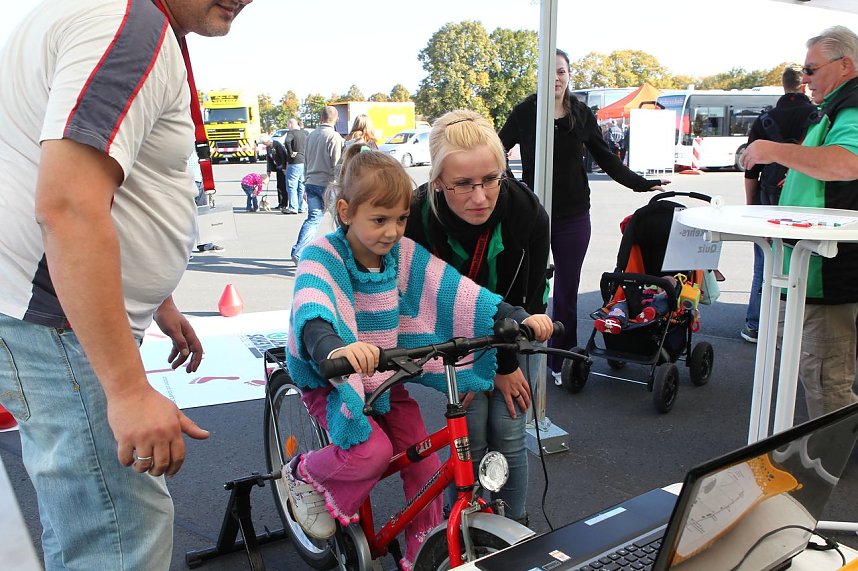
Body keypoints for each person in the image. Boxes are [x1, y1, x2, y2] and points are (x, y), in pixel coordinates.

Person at [0, 0, 250, 569]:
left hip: (53, 318)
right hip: (58, 324)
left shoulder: (112, 15)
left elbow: (112, 187)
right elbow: (67, 205)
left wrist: (154, 295)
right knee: (119, 536)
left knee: (86, 518)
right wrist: (127, 389)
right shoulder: (132, 25)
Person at [284, 146, 553, 568]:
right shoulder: (323, 256)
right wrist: (335, 347)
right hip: (334, 380)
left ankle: (421, 549)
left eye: (401, 219)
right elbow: (314, 309)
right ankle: (306, 476)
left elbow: (455, 292)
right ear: (345, 211)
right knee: (369, 452)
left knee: (425, 462)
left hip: (386, 380)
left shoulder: (402, 255)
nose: (392, 232)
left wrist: (513, 316)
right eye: (379, 220)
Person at [404, 109, 550, 525]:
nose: (481, 196)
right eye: (463, 184)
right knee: (468, 435)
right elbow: (423, 299)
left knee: (508, 433)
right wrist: (463, 367)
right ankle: (465, 528)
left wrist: (505, 366)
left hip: (518, 328)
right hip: (455, 337)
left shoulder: (525, 211)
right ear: (437, 183)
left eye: (490, 180)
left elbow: (527, 299)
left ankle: (515, 532)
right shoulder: (416, 218)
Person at [499, 48, 669, 384]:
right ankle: (524, 356)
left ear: (568, 75)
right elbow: (497, 148)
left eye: (561, 72)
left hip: (574, 215)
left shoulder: (580, 113)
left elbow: (606, 159)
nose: (557, 80)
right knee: (530, 288)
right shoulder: (524, 113)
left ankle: (561, 359)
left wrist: (641, 184)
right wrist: (512, 187)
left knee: (566, 289)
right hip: (533, 215)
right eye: (550, 74)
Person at [742, 25, 858, 419]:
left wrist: (770, 149)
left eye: (811, 69)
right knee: (817, 371)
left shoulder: (853, 103)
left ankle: (827, 471)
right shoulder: (838, 104)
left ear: (845, 64)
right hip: (814, 266)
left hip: (831, 269)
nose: (804, 79)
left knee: (826, 380)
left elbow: (845, 162)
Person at [740, 65, 816, 343]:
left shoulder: (765, 119)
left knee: (764, 262)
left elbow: (750, 171)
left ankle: (756, 324)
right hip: (806, 202)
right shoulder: (817, 117)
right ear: (804, 85)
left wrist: (751, 208)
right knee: (805, 261)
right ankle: (798, 327)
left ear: (783, 86)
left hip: (767, 201)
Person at [291, 105, 343, 263]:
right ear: (336, 119)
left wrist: (305, 180)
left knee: (313, 219)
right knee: (340, 219)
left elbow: (305, 161)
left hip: (311, 182)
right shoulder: (334, 137)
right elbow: (337, 164)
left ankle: (298, 252)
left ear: (321, 118)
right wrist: (339, 184)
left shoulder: (311, 135)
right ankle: (343, 254)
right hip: (328, 185)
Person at [188, 152, 225, 253]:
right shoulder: (179, 139)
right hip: (185, 182)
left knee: (203, 213)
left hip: (200, 180)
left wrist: (209, 184)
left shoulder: (199, 143)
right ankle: (183, 249)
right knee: (185, 216)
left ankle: (205, 244)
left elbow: (205, 162)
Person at [284, 117, 307, 214]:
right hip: (304, 162)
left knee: (291, 185)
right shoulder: (305, 133)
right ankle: (301, 207)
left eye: (288, 125)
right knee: (301, 186)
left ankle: (293, 207)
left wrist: (290, 152)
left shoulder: (291, 133)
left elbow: (287, 141)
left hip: (294, 162)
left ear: (290, 124)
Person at [265, 135, 289, 211]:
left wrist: (284, 168)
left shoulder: (277, 145)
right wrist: (269, 170)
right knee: (279, 186)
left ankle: (284, 204)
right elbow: (269, 159)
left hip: (283, 168)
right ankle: (280, 203)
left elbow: (284, 156)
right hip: (277, 168)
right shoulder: (268, 147)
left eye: (264, 142)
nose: (264, 144)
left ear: (268, 141)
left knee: (284, 186)